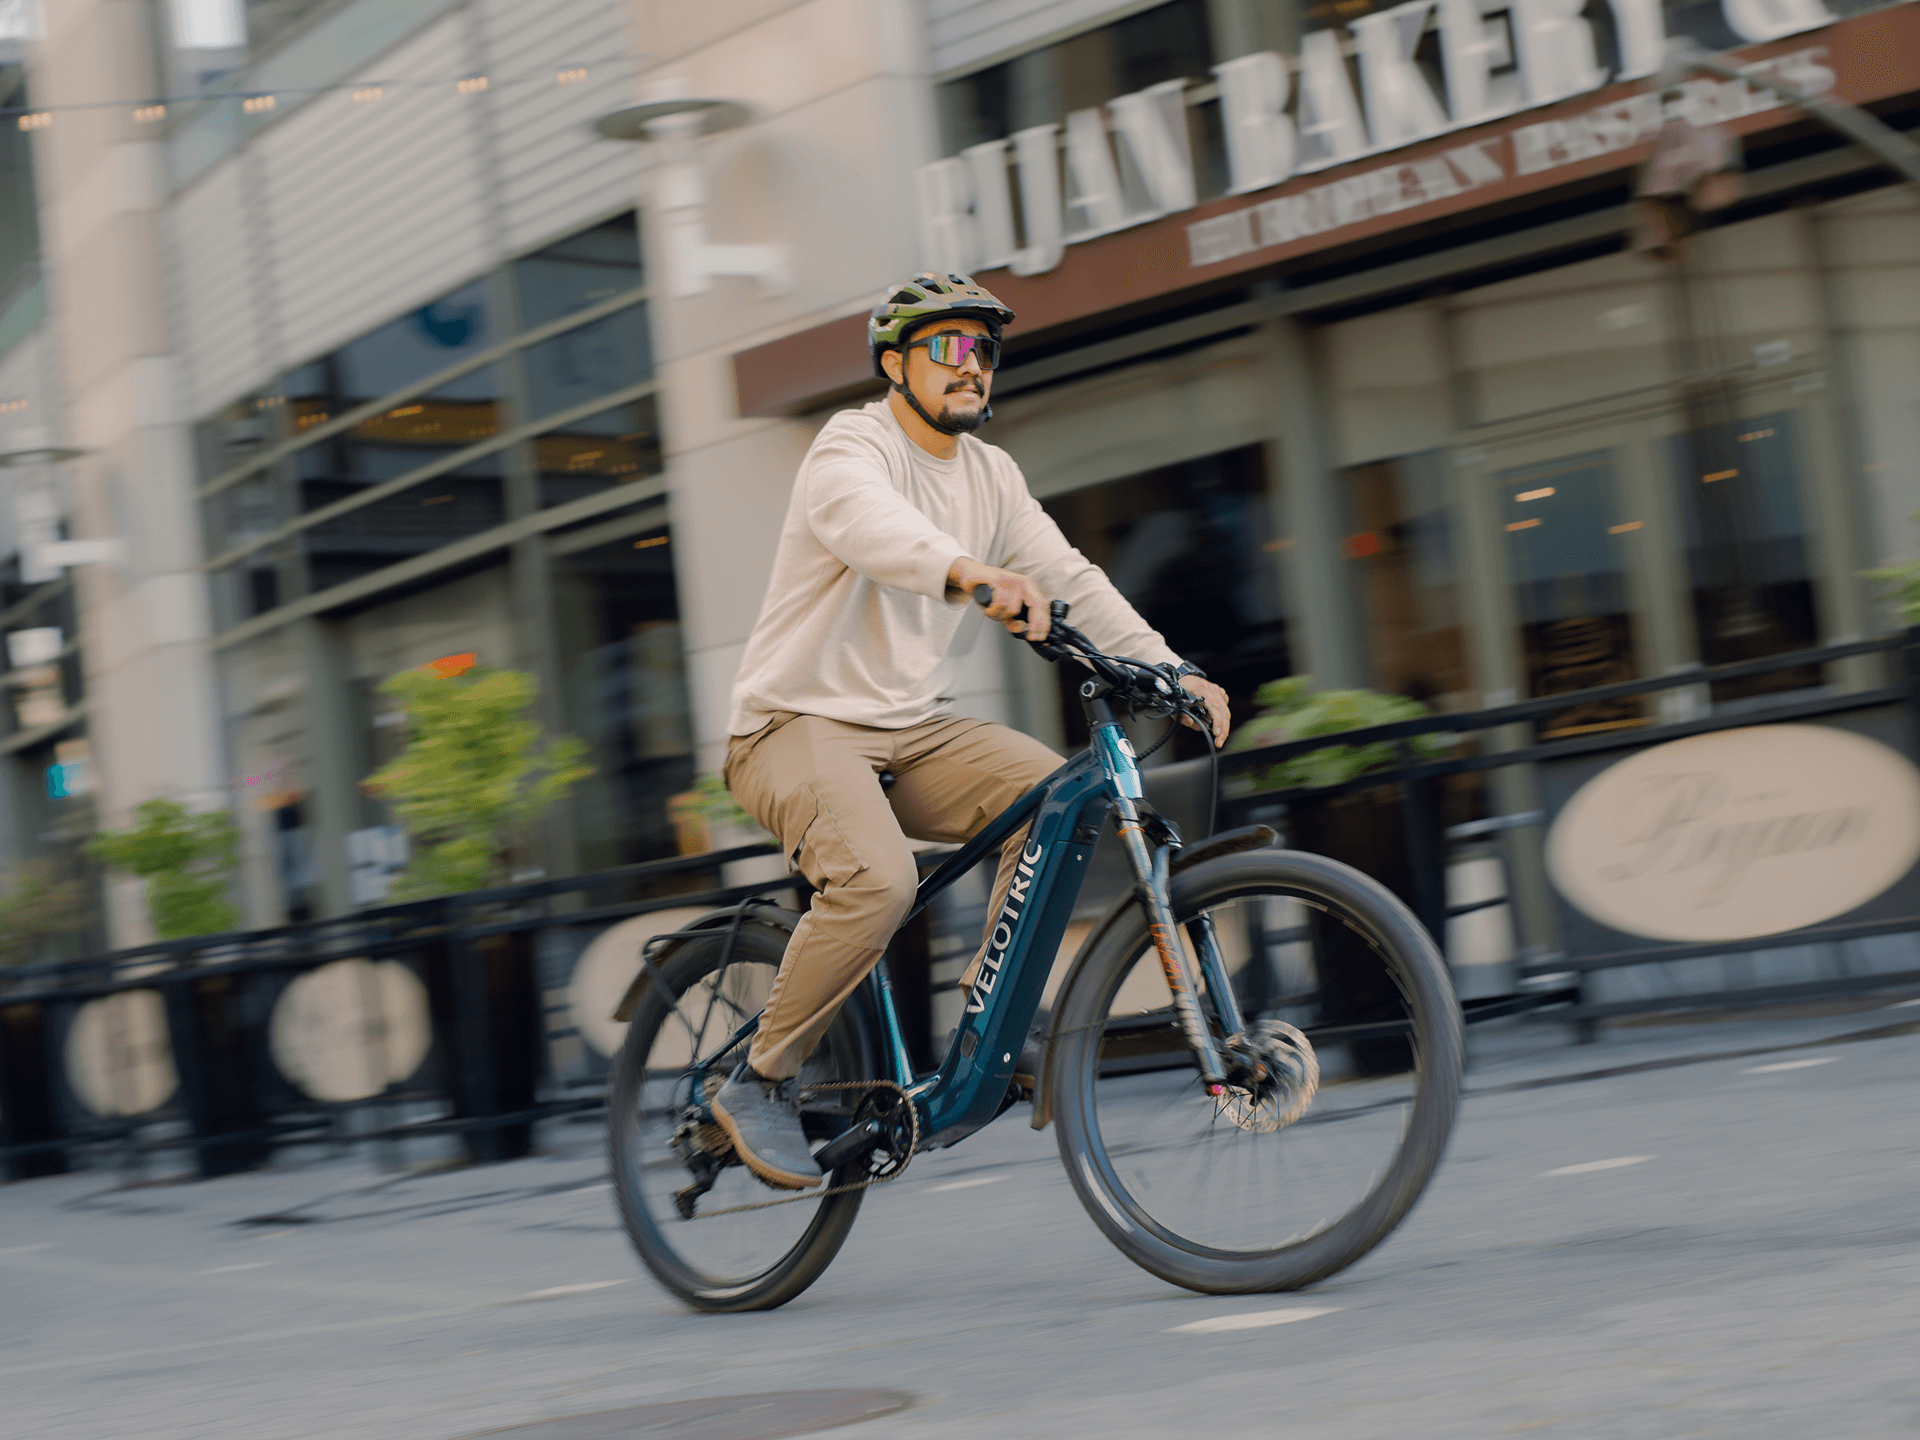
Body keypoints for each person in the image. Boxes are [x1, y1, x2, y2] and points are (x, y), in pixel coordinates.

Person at [712, 272, 1232, 1191]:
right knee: (876, 883)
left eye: (984, 350)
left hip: (910, 727)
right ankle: (757, 1080)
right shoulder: (851, 445)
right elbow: (870, 527)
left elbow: (1070, 572)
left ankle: (996, 1027)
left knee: (1057, 799)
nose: (971, 366)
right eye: (947, 347)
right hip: (795, 723)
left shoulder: (992, 475)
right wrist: (967, 574)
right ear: (893, 364)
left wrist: (1171, 666)